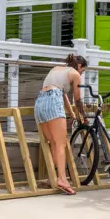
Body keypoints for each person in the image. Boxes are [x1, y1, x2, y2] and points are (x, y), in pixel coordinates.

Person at [35, 53, 87, 195]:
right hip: (53, 100)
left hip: (40, 102)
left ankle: (53, 177)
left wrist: (71, 113)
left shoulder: (56, 69)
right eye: (82, 71)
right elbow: (77, 99)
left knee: (53, 142)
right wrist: (83, 116)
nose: (81, 75)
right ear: (79, 66)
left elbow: (62, 93)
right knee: (61, 143)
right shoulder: (75, 74)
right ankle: (62, 179)